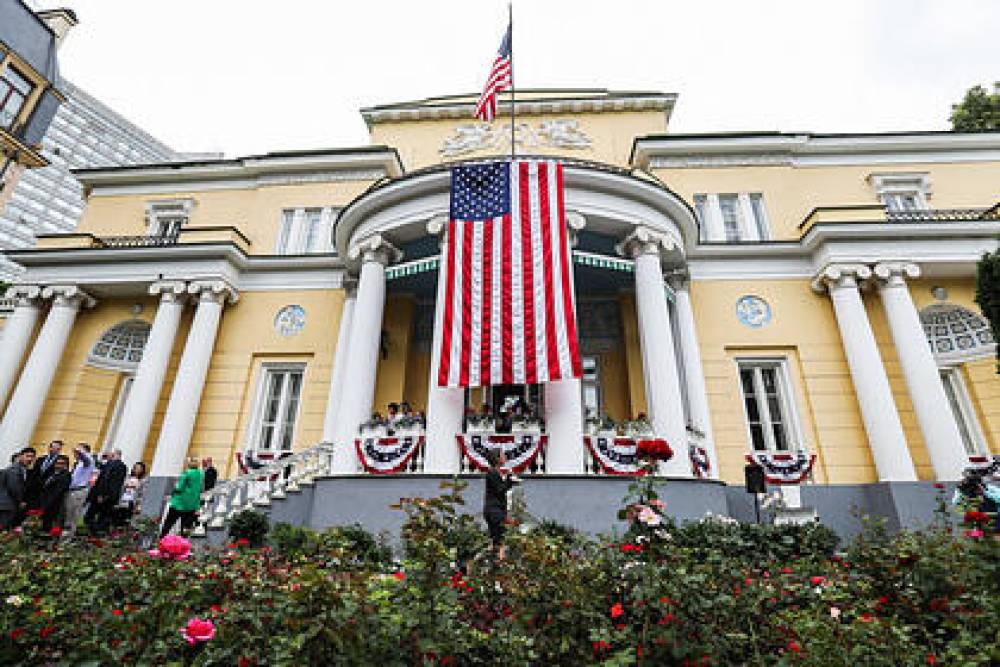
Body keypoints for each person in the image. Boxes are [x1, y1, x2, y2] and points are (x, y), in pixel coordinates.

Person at [483, 447, 518, 560]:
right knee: (502, 539)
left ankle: (481, 563)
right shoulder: (492, 472)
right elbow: (500, 489)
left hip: (495, 510)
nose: (505, 456)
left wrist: (508, 479)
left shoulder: (495, 472)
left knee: (496, 541)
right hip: (494, 510)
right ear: (497, 458)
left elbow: (501, 488)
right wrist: (510, 480)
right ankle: (500, 565)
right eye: (502, 455)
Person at [85, 449, 127, 536]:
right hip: (104, 496)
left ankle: (95, 535)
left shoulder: (116, 465)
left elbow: (109, 481)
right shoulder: (113, 464)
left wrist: (102, 495)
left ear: (115, 454)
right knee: (96, 518)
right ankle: (93, 534)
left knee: (95, 518)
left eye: (110, 453)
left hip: (104, 497)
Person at [160, 457, 204, 537]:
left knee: (168, 525)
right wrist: (197, 506)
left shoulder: (187, 473)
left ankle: (161, 541)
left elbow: (179, 487)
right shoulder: (201, 474)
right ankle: (182, 546)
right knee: (185, 529)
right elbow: (200, 490)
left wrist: (174, 487)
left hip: (179, 503)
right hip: (192, 505)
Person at [63, 444, 95, 539]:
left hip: (79, 491)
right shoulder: (79, 463)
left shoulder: (89, 460)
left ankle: (68, 537)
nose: (75, 454)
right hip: (73, 490)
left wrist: (78, 450)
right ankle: (65, 535)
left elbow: (85, 457)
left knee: (73, 514)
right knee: (68, 513)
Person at [0, 448, 31, 529]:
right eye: (27, 456)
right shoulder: (14, 469)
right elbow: (13, 487)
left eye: (32, 457)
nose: (29, 459)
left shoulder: (22, 469)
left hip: (9, 504)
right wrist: (20, 501)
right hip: (7, 505)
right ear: (20, 456)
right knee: (3, 529)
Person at [39, 454, 71, 531]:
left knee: (48, 524)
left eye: (62, 463)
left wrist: (46, 505)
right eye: (57, 463)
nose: (58, 465)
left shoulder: (66, 476)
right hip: (43, 501)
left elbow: (57, 492)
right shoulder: (52, 473)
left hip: (53, 505)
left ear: (66, 465)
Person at [113, 462, 147, 528]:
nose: (136, 470)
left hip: (131, 502)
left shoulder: (143, 481)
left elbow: (142, 494)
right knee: (117, 518)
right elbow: (122, 489)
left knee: (126, 520)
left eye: (139, 468)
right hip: (123, 500)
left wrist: (138, 506)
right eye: (135, 468)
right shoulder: (127, 477)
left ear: (142, 470)